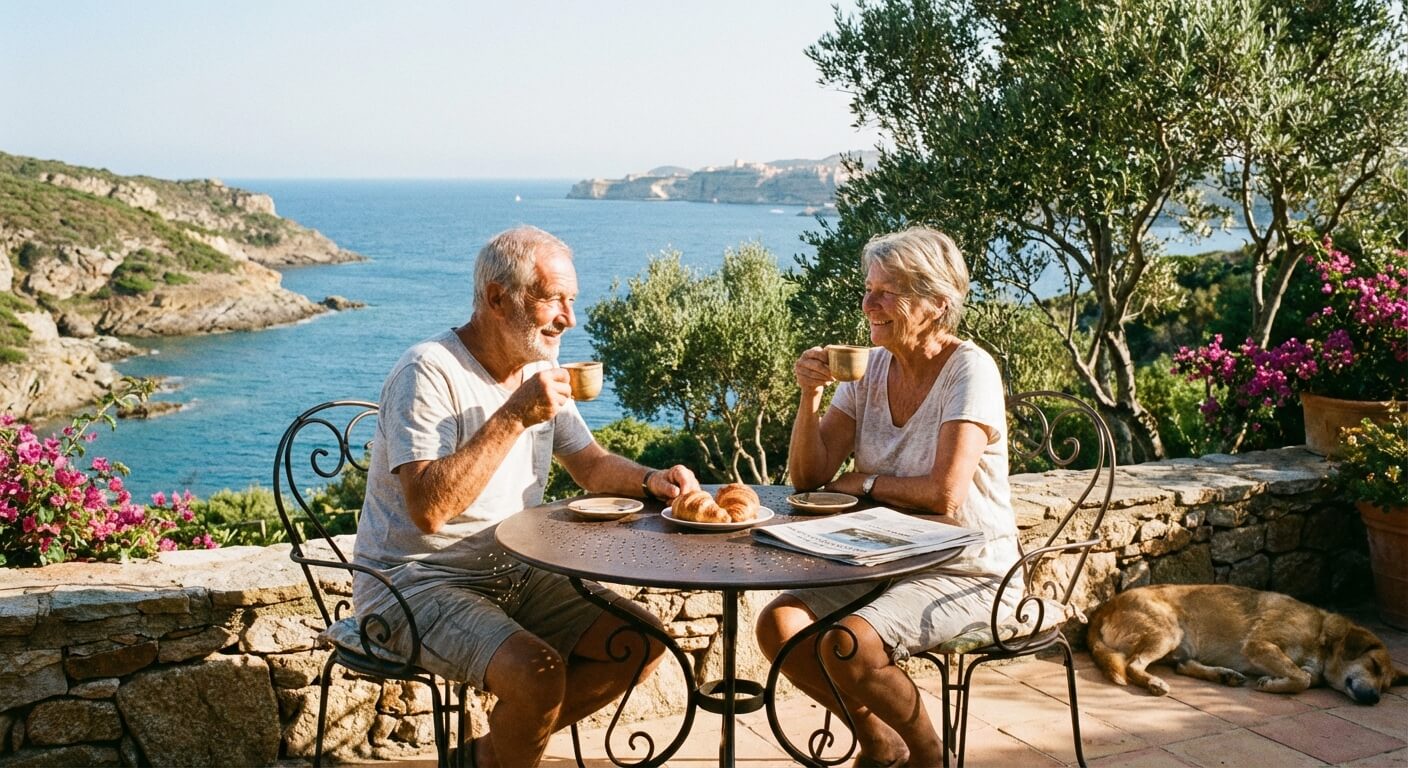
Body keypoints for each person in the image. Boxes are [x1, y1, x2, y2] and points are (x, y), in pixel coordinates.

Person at [353, 225, 700, 768]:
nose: (569, 317)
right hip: (413, 582)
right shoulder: (428, 371)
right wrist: (513, 415)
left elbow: (591, 465)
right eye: (552, 299)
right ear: (497, 298)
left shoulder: (536, 369)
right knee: (540, 676)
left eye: (572, 300)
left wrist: (651, 479)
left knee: (642, 641)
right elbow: (428, 511)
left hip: (515, 570)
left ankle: (487, 755)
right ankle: (508, 748)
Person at [755, 226, 1019, 767]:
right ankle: (880, 741)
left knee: (848, 644)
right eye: (869, 287)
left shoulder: (970, 370)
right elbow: (809, 478)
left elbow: (944, 494)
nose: (868, 303)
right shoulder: (869, 368)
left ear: (936, 304)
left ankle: (928, 753)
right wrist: (809, 397)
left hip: (968, 571)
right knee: (777, 625)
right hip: (881, 556)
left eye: (886, 291)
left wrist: (865, 483)